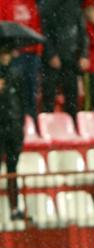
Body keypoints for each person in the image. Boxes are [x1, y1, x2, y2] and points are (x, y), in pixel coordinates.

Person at [40, 0, 88, 120]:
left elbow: (82, 33)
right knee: (49, 98)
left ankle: (73, 129)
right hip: (51, 62)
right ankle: (47, 127)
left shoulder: (75, 5)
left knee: (72, 99)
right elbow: (45, 33)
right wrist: (51, 54)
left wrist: (84, 55)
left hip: (71, 60)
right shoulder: (47, 6)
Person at [0, 0, 42, 121]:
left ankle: (29, 121)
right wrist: (9, 49)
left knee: (29, 93)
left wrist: (38, 51)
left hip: (31, 54)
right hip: (14, 54)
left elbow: (37, 27)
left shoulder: (31, 3)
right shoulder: (4, 3)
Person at [0, 48, 25, 221]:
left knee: (12, 170)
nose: (5, 56)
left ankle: (14, 208)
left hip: (13, 127)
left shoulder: (16, 74)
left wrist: (20, 127)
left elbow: (22, 102)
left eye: (7, 53)